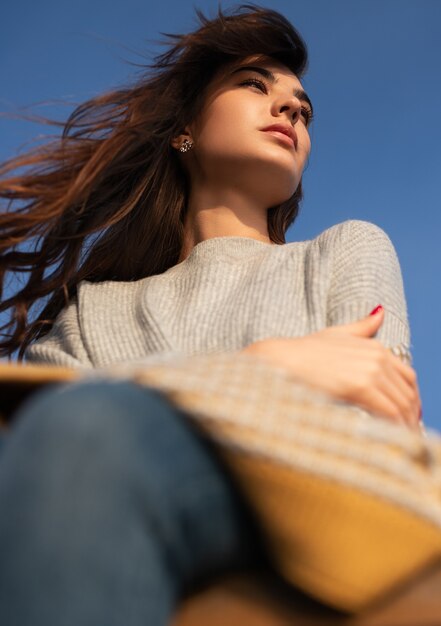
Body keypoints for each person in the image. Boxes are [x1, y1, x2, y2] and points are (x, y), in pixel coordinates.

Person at [0, 4, 422, 625]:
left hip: (302, 530)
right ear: (184, 130)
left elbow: (382, 441)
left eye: (303, 109)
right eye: (255, 85)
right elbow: (38, 465)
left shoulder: (345, 251)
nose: (290, 111)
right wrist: (269, 369)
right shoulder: (90, 314)